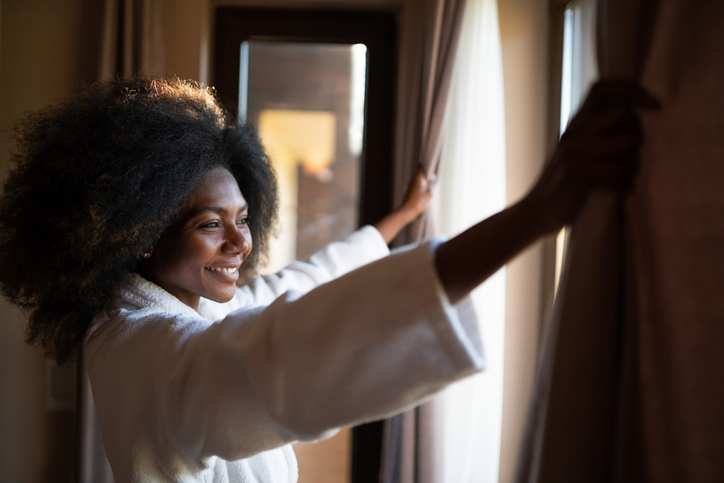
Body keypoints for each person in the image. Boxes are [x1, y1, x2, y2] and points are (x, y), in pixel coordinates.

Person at [0, 76, 656, 482]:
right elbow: (280, 351)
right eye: (210, 224)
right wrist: (537, 212)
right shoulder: (142, 348)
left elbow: (301, 282)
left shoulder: (185, 308)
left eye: (244, 218)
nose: (240, 243)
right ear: (141, 232)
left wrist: (398, 219)